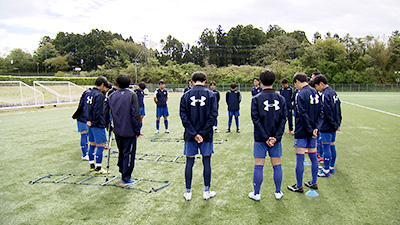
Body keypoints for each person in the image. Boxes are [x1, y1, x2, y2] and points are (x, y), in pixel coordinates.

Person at [248, 69, 287, 201]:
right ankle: (278, 192)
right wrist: (275, 137)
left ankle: (257, 193)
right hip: (275, 139)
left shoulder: (256, 99)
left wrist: (265, 137)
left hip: (260, 138)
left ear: (260, 81)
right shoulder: (281, 98)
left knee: (259, 164)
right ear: (274, 81)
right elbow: (283, 119)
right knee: (277, 164)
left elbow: (256, 120)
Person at [180, 71, 218, 201]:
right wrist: (202, 134)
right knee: (206, 161)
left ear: (192, 81)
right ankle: (206, 191)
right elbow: (213, 116)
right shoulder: (211, 95)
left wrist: (194, 134)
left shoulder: (185, 95)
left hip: (190, 136)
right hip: (206, 136)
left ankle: (188, 192)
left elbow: (183, 117)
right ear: (205, 81)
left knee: (189, 162)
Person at [287, 72, 321, 193]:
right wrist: (316, 128)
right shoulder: (316, 92)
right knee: (313, 156)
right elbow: (321, 112)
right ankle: (314, 182)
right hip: (314, 131)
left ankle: (299, 185)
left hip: (303, 130)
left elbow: (302, 114)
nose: (295, 87)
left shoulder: (300, 94)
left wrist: (310, 129)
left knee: (300, 158)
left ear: (297, 81)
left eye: (295, 84)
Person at [104, 74, 140, 186]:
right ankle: (125, 178)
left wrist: (108, 125)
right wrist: (137, 130)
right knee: (128, 154)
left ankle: (122, 170)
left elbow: (105, 111)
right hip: (129, 130)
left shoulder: (112, 95)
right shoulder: (132, 95)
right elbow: (135, 114)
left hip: (117, 130)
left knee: (122, 152)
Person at [312, 74, 342, 177]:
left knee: (326, 147)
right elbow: (338, 109)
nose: (317, 89)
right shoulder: (333, 93)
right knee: (332, 145)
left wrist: (332, 124)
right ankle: (331, 166)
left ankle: (325, 170)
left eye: (316, 86)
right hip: (333, 125)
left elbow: (327, 112)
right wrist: (338, 123)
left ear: (321, 84)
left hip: (327, 125)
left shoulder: (325, 94)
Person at [85, 76, 110, 174]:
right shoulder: (99, 95)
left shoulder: (89, 92)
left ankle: (92, 165)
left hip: (89, 123)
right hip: (97, 123)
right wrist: (94, 122)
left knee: (92, 144)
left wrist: (88, 120)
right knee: (100, 145)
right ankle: (98, 167)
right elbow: (97, 110)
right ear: (103, 85)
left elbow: (86, 108)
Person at [72, 87, 92, 160]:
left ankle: (86, 153)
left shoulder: (88, 92)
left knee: (86, 135)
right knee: (84, 134)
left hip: (84, 117)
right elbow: (81, 106)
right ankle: (84, 154)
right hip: (83, 117)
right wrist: (75, 115)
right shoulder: (89, 93)